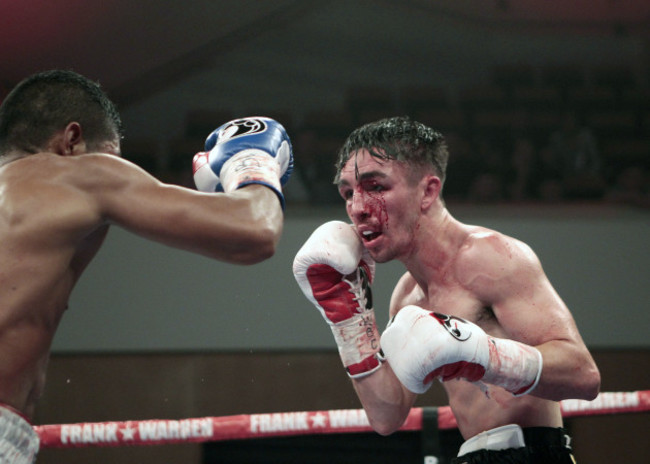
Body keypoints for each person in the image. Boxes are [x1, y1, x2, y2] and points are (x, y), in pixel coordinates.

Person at [0, 69, 292, 463]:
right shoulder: (78, 175)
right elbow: (254, 230)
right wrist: (252, 163)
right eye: (113, 159)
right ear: (72, 141)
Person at [293, 116, 599, 463]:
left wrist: (485, 357)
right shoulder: (407, 297)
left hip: (537, 454)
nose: (358, 208)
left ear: (428, 190)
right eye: (348, 193)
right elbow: (386, 416)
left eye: (375, 187)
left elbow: (583, 376)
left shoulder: (491, 257)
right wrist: (348, 323)